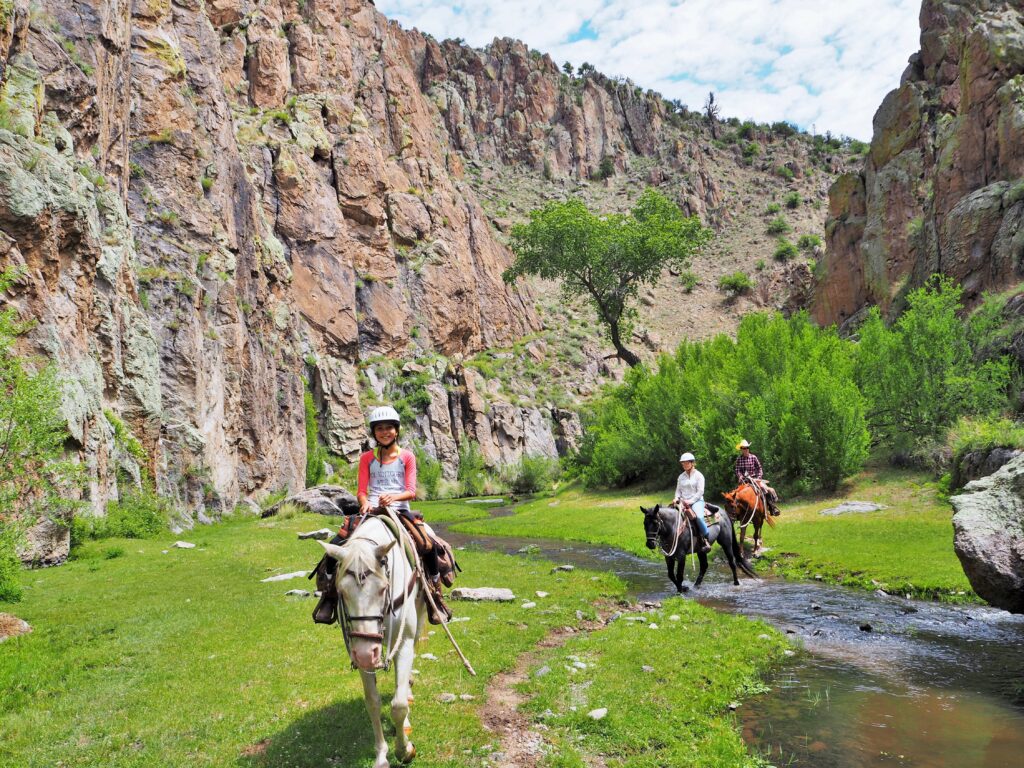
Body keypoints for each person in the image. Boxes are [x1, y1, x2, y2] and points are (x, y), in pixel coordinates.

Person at [312, 406, 451, 625]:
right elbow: (361, 491)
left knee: (428, 545)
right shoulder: (367, 458)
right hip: (372, 511)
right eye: (379, 429)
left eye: (389, 428)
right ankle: (329, 595)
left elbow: (411, 491)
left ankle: (435, 594)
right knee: (335, 547)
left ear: (396, 430)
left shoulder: (407, 457)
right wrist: (365, 502)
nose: (384, 432)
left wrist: (393, 497)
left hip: (400, 510)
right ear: (374, 432)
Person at [672, 452, 713, 553]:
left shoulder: (699, 476)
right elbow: (678, 490)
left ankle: (706, 539)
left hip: (697, 501)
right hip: (682, 502)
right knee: (671, 515)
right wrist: (676, 498)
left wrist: (690, 501)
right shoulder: (681, 477)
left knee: (698, 517)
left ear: (692, 463)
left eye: (686, 463)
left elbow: (700, 492)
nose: (684, 465)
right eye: (683, 463)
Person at [734, 439, 780, 516]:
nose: (746, 449)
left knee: (764, 489)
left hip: (754, 479)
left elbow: (759, 468)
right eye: (744, 448)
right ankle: (736, 513)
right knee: (735, 494)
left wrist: (759, 477)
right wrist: (740, 476)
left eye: (747, 448)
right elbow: (737, 470)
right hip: (744, 480)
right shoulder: (739, 459)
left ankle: (772, 508)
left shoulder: (753, 457)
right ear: (741, 449)